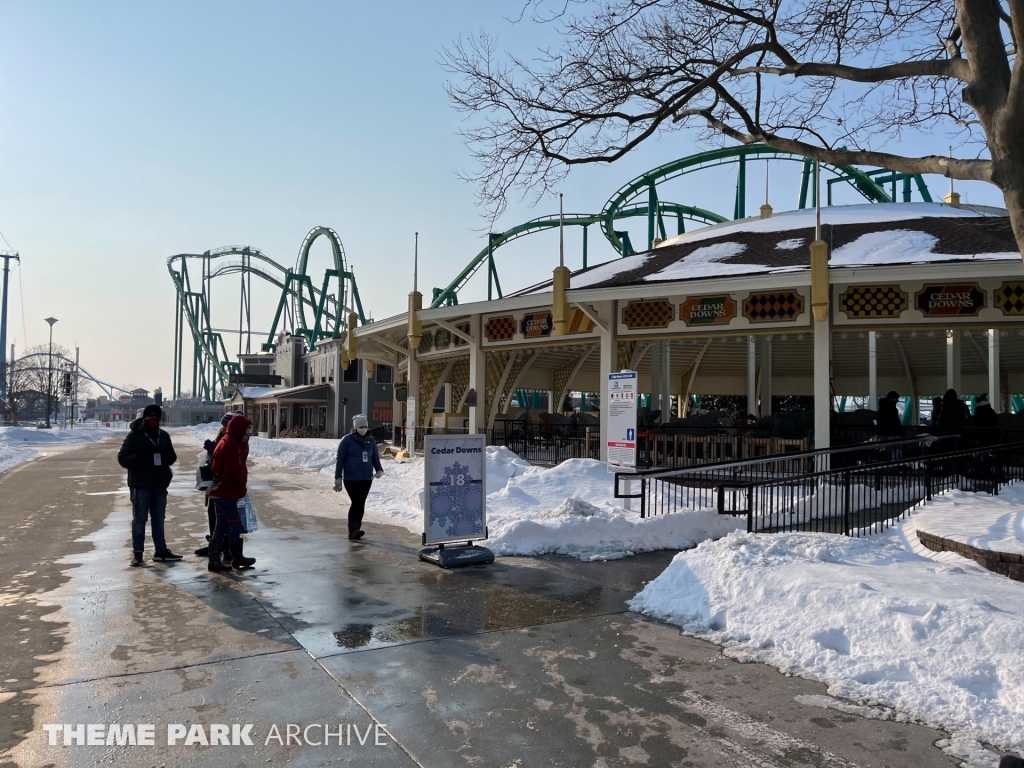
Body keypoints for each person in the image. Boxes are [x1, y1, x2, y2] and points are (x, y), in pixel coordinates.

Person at [117, 404, 182, 566]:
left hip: (160, 485)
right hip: (141, 485)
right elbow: (122, 458)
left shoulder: (164, 436)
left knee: (159, 519)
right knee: (139, 520)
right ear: (145, 419)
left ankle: (160, 551)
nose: (154, 422)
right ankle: (137, 553)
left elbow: (172, 459)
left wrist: (167, 453)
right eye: (151, 419)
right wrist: (139, 456)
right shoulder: (135, 436)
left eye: (157, 419)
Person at [208, 414, 256, 571]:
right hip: (226, 491)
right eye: (246, 431)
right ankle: (236, 557)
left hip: (221, 491)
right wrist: (241, 486)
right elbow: (231, 469)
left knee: (221, 524)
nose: (248, 435)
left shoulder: (227, 441)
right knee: (234, 524)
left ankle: (215, 560)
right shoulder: (231, 444)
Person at [333, 414, 384, 540]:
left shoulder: (371, 441)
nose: (364, 429)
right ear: (356, 427)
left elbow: (374, 457)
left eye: (366, 426)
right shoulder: (347, 440)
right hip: (351, 478)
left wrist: (379, 469)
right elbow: (340, 459)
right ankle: (352, 531)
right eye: (361, 426)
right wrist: (338, 478)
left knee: (361, 503)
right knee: (356, 502)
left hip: (366, 478)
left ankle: (357, 528)